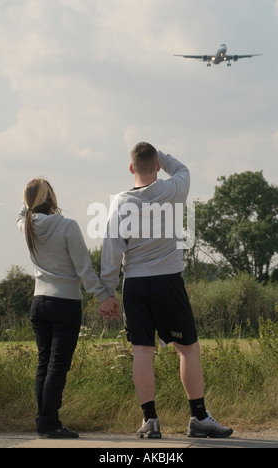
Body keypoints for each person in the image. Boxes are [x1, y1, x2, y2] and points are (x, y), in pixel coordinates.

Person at [100, 142, 233, 439]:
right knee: (188, 350)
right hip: (168, 280)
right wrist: (161, 155)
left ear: (131, 167)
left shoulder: (120, 202)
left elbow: (111, 249)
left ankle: (150, 421)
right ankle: (198, 417)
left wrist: (107, 291)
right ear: (157, 165)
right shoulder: (175, 188)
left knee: (142, 352)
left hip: (135, 282)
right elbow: (182, 168)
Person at [17, 178, 119, 439]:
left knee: (44, 363)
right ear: (51, 198)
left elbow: (22, 212)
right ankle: (50, 423)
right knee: (57, 365)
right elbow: (84, 268)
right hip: (64, 304)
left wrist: (28, 202)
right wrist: (103, 297)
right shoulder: (67, 226)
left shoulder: (25, 225)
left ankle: (44, 421)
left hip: (38, 303)